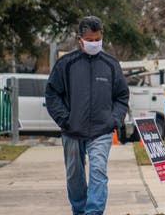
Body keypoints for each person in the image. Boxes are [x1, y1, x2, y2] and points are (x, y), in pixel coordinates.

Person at [45, 15, 129, 215]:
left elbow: (122, 96)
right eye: (90, 40)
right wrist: (65, 120)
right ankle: (79, 209)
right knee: (75, 176)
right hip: (72, 130)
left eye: (98, 40)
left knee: (98, 172)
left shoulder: (110, 65)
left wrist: (114, 120)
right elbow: (51, 93)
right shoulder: (66, 64)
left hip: (102, 130)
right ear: (79, 39)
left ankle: (93, 212)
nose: (94, 44)